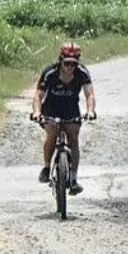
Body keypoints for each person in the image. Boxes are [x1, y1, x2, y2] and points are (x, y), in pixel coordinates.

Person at [31, 41, 97, 195]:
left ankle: (73, 178)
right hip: (51, 109)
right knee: (52, 135)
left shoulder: (82, 73)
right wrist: (37, 112)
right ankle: (47, 167)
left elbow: (90, 94)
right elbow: (38, 95)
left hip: (71, 109)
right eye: (66, 63)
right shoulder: (50, 73)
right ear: (61, 60)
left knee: (73, 138)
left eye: (73, 64)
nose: (69, 68)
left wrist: (90, 111)